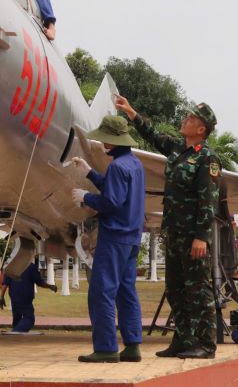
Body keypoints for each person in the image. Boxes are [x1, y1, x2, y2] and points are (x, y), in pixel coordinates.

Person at [115, 96, 221, 359]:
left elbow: (209, 201)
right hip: (174, 233)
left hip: (193, 236)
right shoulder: (177, 150)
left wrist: (202, 237)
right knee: (175, 289)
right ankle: (183, 340)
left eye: (192, 119)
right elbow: (153, 135)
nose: (186, 120)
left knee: (198, 289)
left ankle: (206, 344)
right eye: (187, 116)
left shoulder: (208, 158)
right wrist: (132, 112)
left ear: (202, 130)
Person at [70, 114, 146, 363]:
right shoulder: (134, 164)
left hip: (114, 237)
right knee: (126, 291)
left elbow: (111, 201)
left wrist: (85, 197)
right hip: (132, 239)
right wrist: (90, 173)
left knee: (101, 292)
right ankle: (132, 345)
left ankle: (105, 348)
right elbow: (117, 190)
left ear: (111, 142)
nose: (102, 144)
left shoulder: (116, 167)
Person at [0, 260, 57, 332]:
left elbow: (5, 284)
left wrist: (1, 297)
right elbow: (39, 282)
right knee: (29, 319)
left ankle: (15, 336)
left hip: (14, 297)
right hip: (25, 298)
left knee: (17, 320)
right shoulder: (31, 267)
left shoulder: (11, 267)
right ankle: (15, 332)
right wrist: (50, 286)